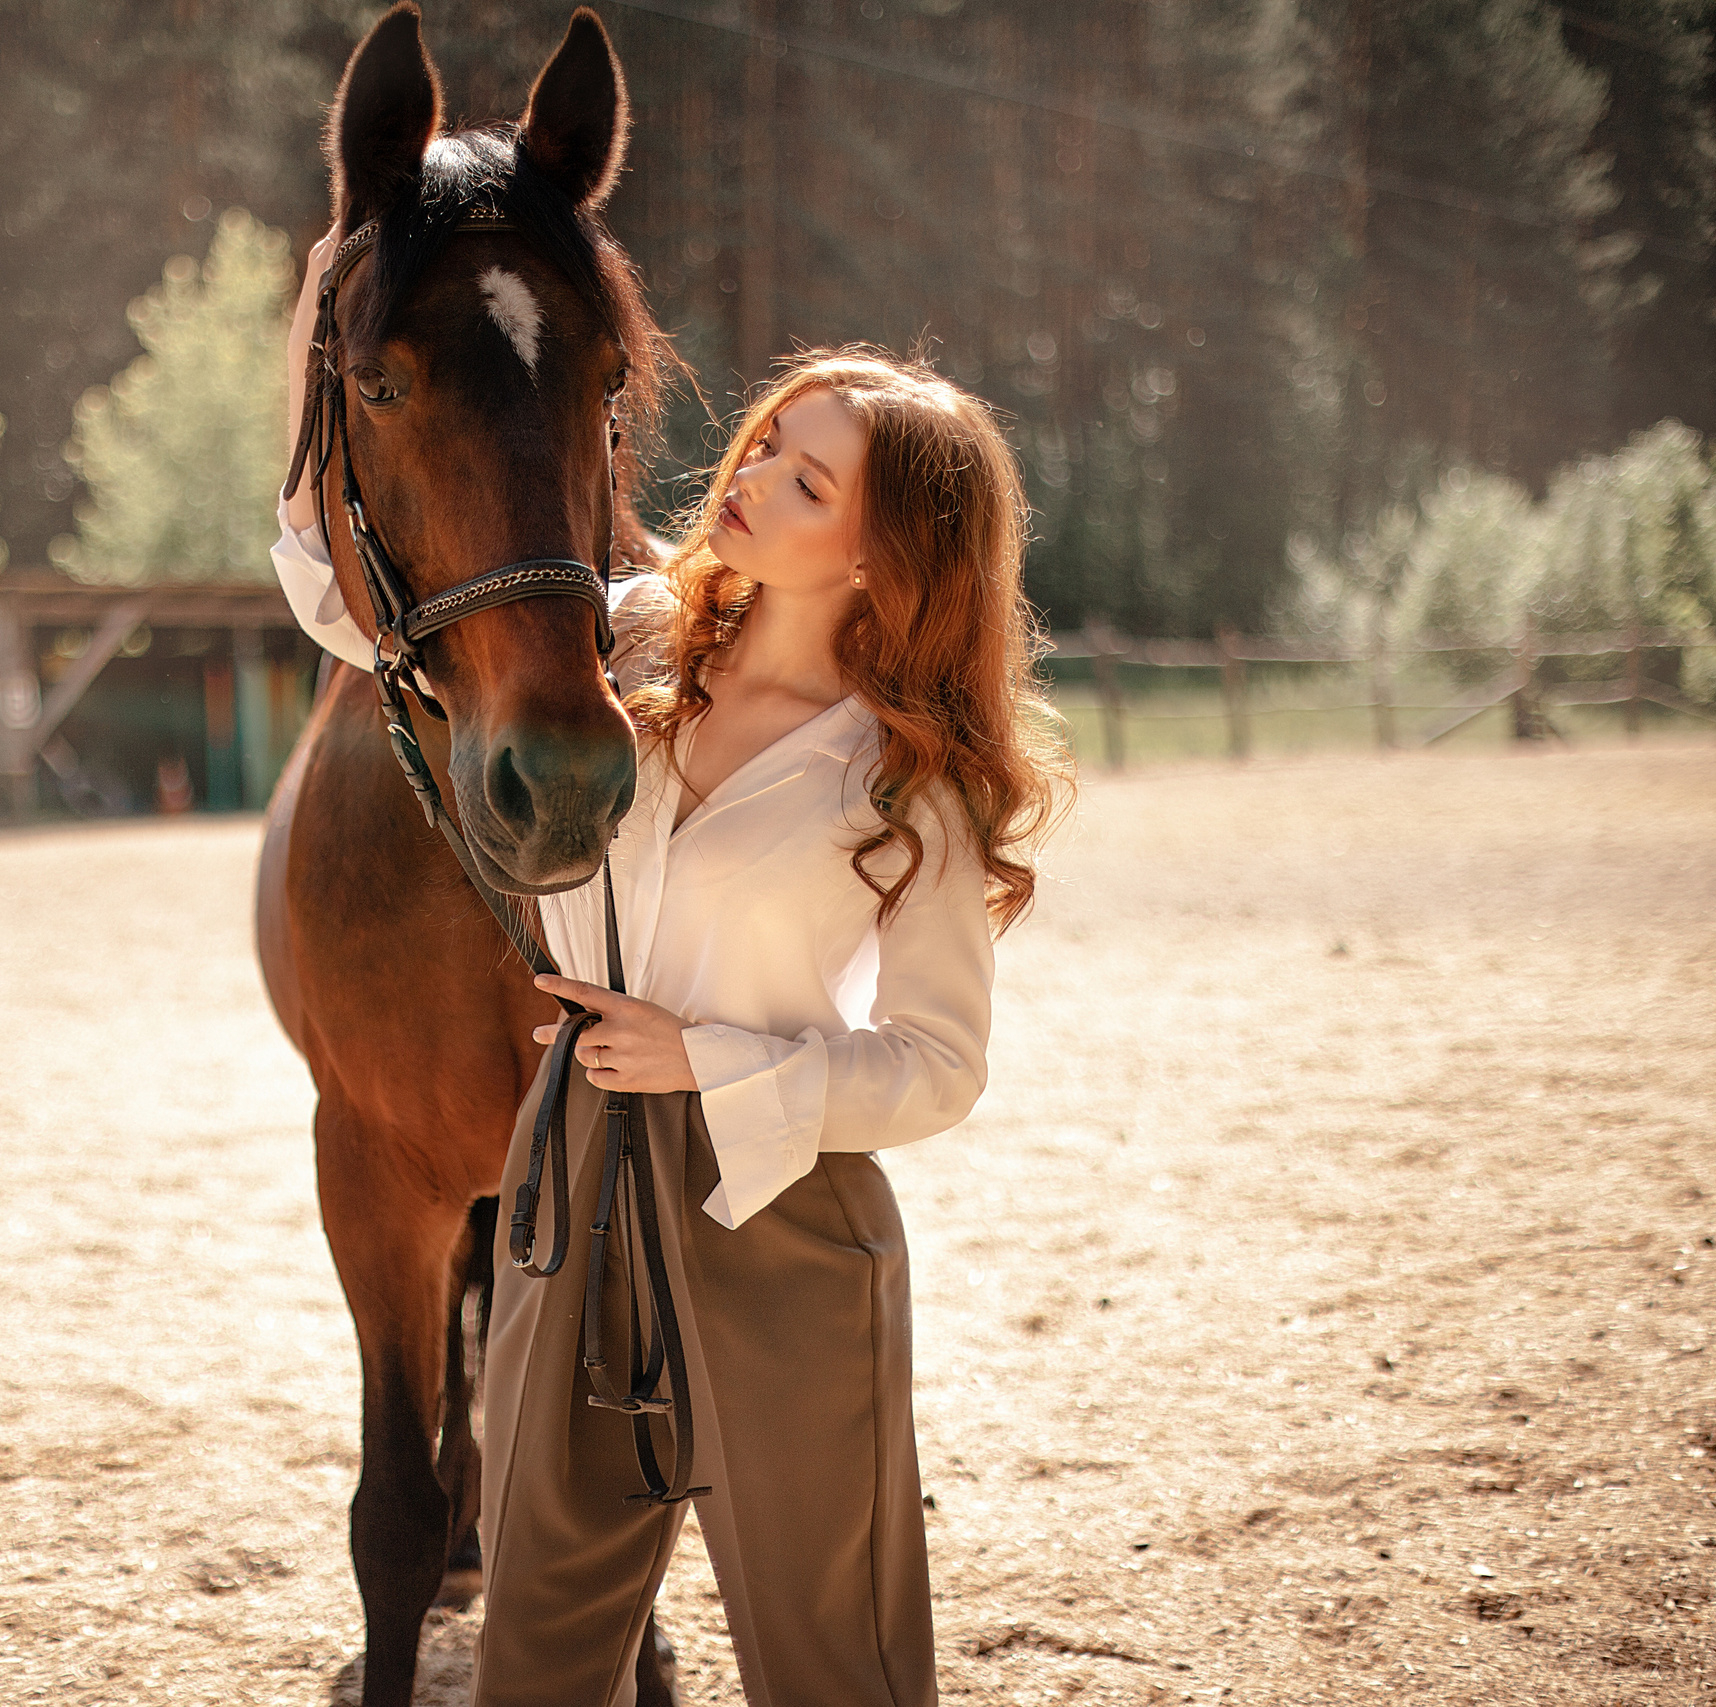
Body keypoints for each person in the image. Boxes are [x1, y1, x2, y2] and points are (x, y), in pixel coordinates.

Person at [273, 232, 1070, 1706]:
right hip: (567, 1195)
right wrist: (345, 287)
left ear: (886, 553)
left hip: (777, 1217)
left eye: (807, 480)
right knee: (541, 1649)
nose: (750, 475)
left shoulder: (915, 783)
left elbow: (943, 1069)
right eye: (768, 441)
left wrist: (708, 1058)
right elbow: (355, 597)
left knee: (833, 1657)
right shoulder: (623, 645)